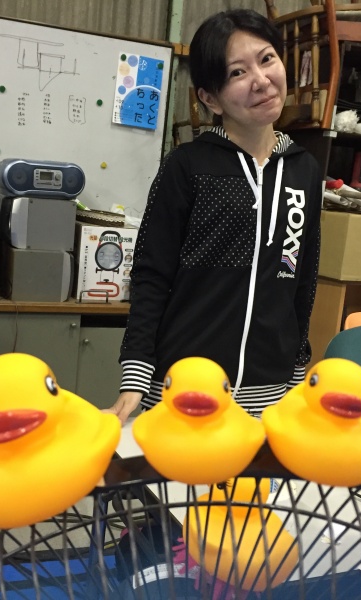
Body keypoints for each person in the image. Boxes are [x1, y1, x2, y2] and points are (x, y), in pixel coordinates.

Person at [106, 8, 322, 425]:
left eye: (267, 59)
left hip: (269, 391)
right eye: (238, 72)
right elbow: (152, 273)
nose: (261, 80)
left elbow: (302, 276)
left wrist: (298, 368)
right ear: (210, 98)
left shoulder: (304, 170)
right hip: (187, 386)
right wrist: (136, 372)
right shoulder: (188, 166)